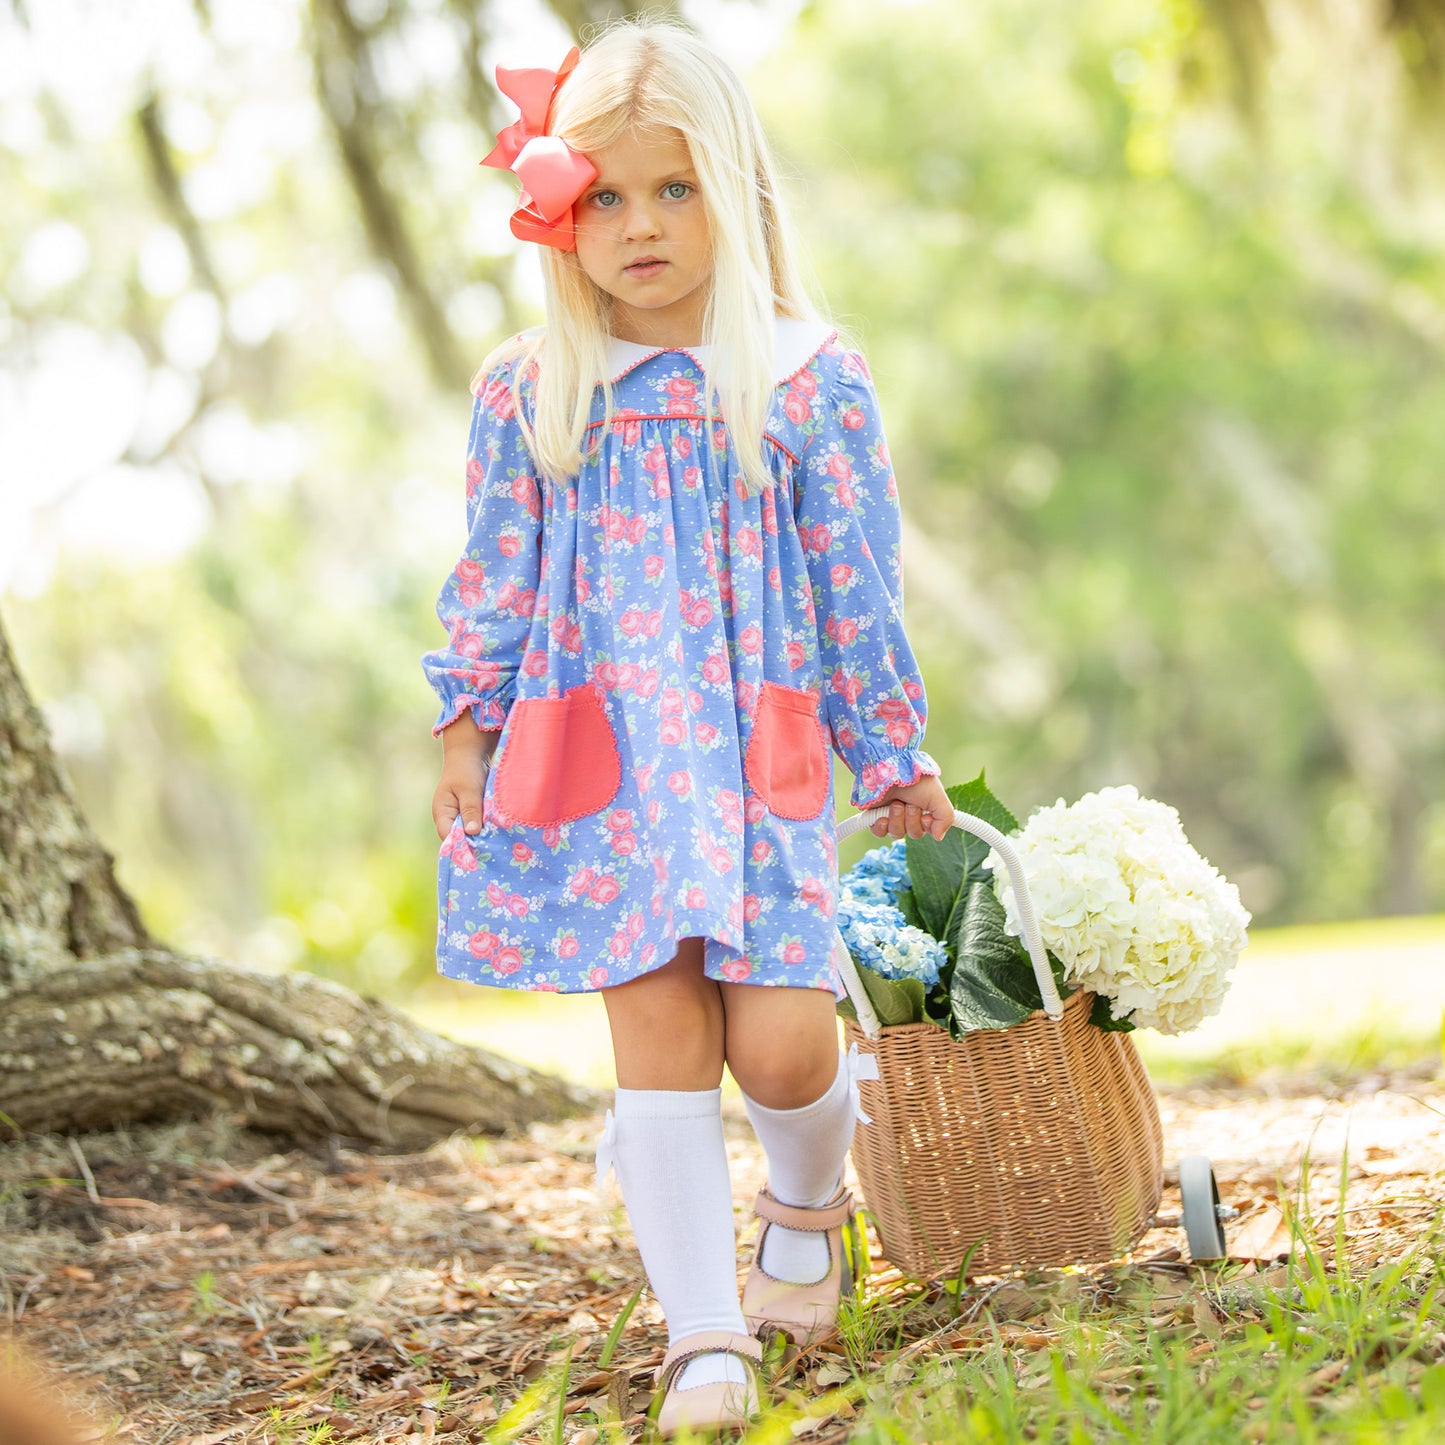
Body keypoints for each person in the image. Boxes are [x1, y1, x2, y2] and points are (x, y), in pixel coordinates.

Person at [421, 19, 951, 1435]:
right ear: (557, 212)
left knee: (782, 1044)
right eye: (602, 196)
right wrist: (464, 726)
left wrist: (890, 745)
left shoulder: (799, 373)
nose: (639, 225)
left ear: (734, 188)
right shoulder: (533, 388)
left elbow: (855, 576)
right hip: (601, 772)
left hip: (754, 765)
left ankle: (805, 1198)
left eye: (674, 189)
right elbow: (495, 570)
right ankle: (703, 1336)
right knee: (652, 1023)